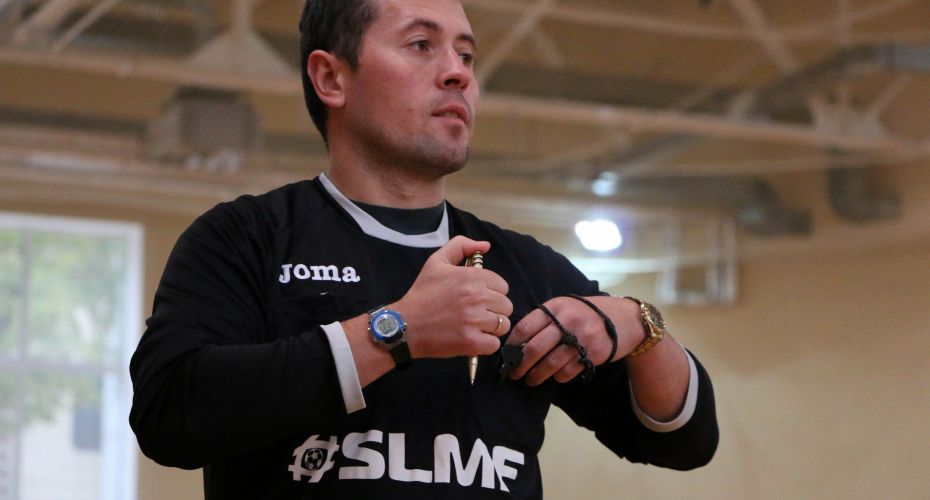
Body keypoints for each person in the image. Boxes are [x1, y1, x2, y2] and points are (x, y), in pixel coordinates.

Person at [128, 0, 718, 498]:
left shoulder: (525, 267)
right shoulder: (245, 238)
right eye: (420, 45)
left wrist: (640, 324)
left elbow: (684, 443)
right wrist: (396, 331)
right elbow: (168, 414)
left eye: (466, 55)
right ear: (331, 78)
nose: (457, 73)